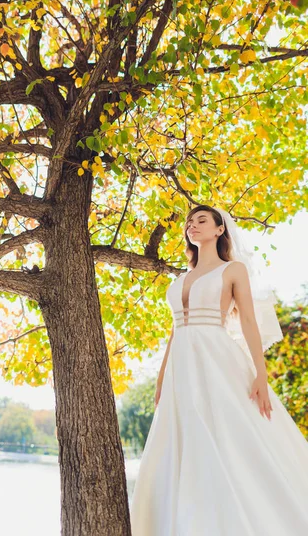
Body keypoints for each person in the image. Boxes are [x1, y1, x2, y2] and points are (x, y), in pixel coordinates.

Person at [129, 204, 308, 536]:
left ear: (219, 230)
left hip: (216, 359)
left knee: (227, 429)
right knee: (181, 436)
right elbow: (174, 331)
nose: (192, 226)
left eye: (201, 221)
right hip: (180, 367)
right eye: (189, 223)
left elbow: (250, 322)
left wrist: (261, 374)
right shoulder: (181, 277)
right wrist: (160, 378)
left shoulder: (232, 270)